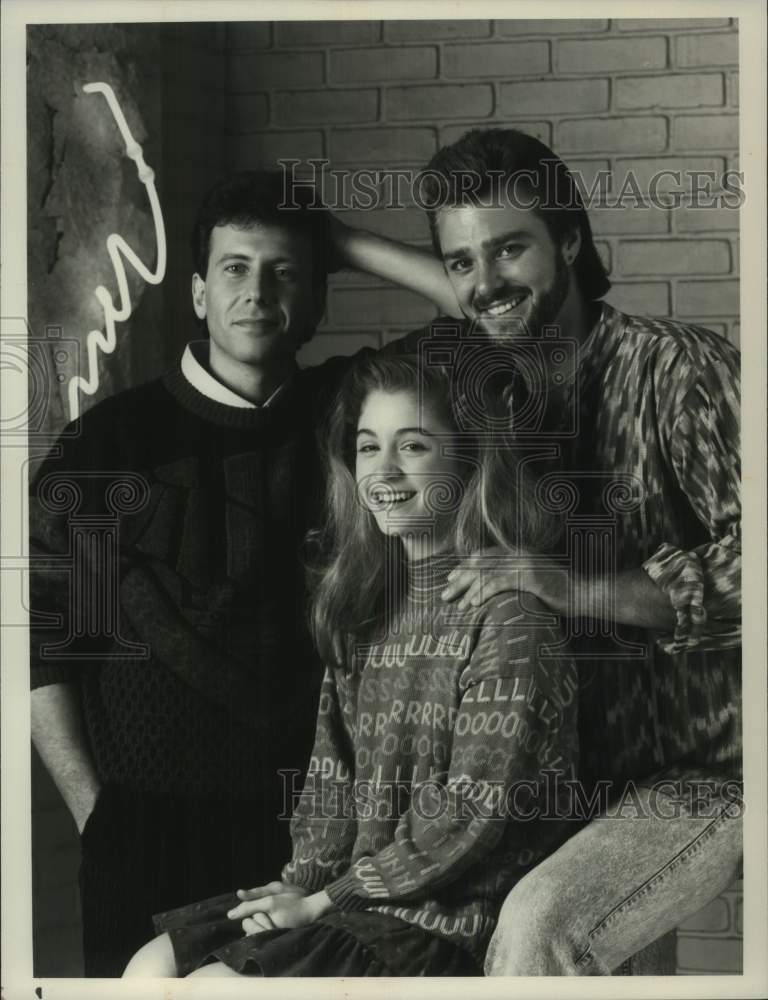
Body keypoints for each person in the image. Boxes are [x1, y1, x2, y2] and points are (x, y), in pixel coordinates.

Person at [330, 128, 743, 975]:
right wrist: (337, 242)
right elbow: (486, 296)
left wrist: (569, 586)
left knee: (534, 931)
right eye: (460, 262)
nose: (485, 282)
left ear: (573, 241)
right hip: (562, 780)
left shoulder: (678, 370)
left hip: (706, 774)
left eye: (512, 247)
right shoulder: (488, 387)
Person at [123, 352, 579, 978]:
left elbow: (469, 814)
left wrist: (322, 902)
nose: (383, 470)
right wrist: (299, 887)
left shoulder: (511, 620)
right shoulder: (368, 610)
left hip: (437, 920)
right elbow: (330, 781)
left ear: (470, 461)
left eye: (413, 445)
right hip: (347, 899)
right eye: (368, 448)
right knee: (149, 969)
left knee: (213, 988)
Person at [28, 170, 357, 976]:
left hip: (310, 834)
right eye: (236, 268)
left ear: (317, 303)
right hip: (144, 833)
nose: (258, 292)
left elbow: (498, 337)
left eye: (285, 273)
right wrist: (96, 814)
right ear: (199, 294)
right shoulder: (109, 446)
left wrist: (338, 242)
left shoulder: (350, 420)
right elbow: (47, 650)